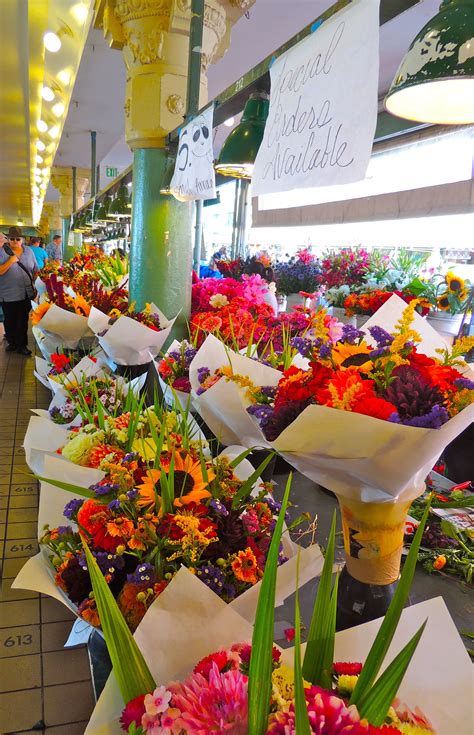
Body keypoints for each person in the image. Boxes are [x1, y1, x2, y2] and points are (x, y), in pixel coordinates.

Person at [0, 227, 38, 356]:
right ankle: (12, 342)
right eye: (12, 239)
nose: (15, 241)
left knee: (22, 321)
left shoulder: (29, 251)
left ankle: (22, 345)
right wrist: (10, 261)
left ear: (22, 239)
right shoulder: (2, 252)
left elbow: (35, 269)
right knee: (10, 320)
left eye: (18, 239)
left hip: (26, 293)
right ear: (8, 240)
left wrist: (36, 283)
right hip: (8, 294)